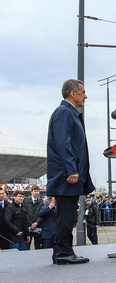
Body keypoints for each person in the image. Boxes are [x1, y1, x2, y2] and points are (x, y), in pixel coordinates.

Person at [46, 79, 94, 265]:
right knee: (66, 215)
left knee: (67, 215)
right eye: (83, 92)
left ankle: (63, 251)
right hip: (67, 176)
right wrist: (71, 170)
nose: (85, 96)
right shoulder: (64, 112)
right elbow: (63, 144)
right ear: (72, 93)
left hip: (70, 175)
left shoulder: (69, 113)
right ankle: (63, 252)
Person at [23, 185, 43, 250]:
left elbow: (42, 214)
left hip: (37, 226)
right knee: (27, 246)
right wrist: (31, 223)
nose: (36, 193)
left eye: (37, 191)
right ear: (31, 192)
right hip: (28, 226)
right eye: (35, 191)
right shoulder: (25, 201)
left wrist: (36, 223)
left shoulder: (41, 202)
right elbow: (24, 213)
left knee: (38, 246)